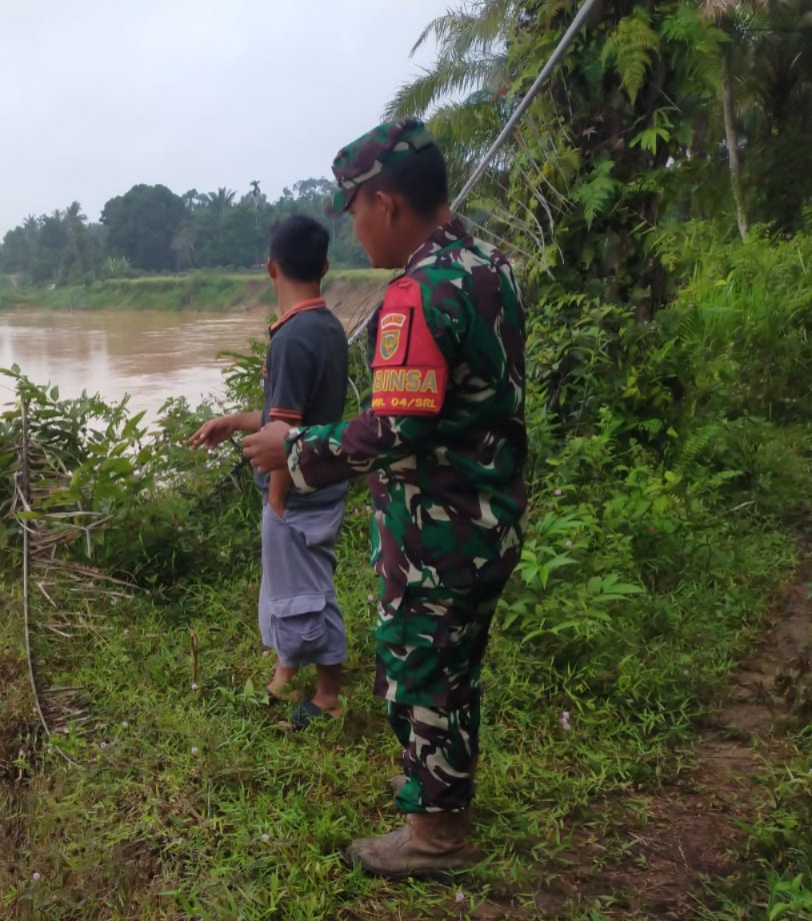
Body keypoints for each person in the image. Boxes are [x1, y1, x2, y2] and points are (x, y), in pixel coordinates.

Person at [241, 117, 527, 878]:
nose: (355, 232)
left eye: (357, 210)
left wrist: (292, 451)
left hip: (437, 529)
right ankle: (443, 805)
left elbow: (394, 426)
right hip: (488, 515)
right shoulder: (488, 264)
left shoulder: (416, 292)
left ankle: (433, 838)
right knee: (453, 669)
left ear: (387, 201)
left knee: (423, 670)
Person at [190, 214, 350, 728]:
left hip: (296, 491)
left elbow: (284, 437)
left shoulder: (289, 339)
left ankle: (326, 697)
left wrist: (277, 502)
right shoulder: (327, 327)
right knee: (298, 583)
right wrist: (236, 421)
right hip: (324, 478)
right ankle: (286, 673)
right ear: (325, 267)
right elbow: (299, 417)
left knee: (306, 592)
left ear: (270, 268)